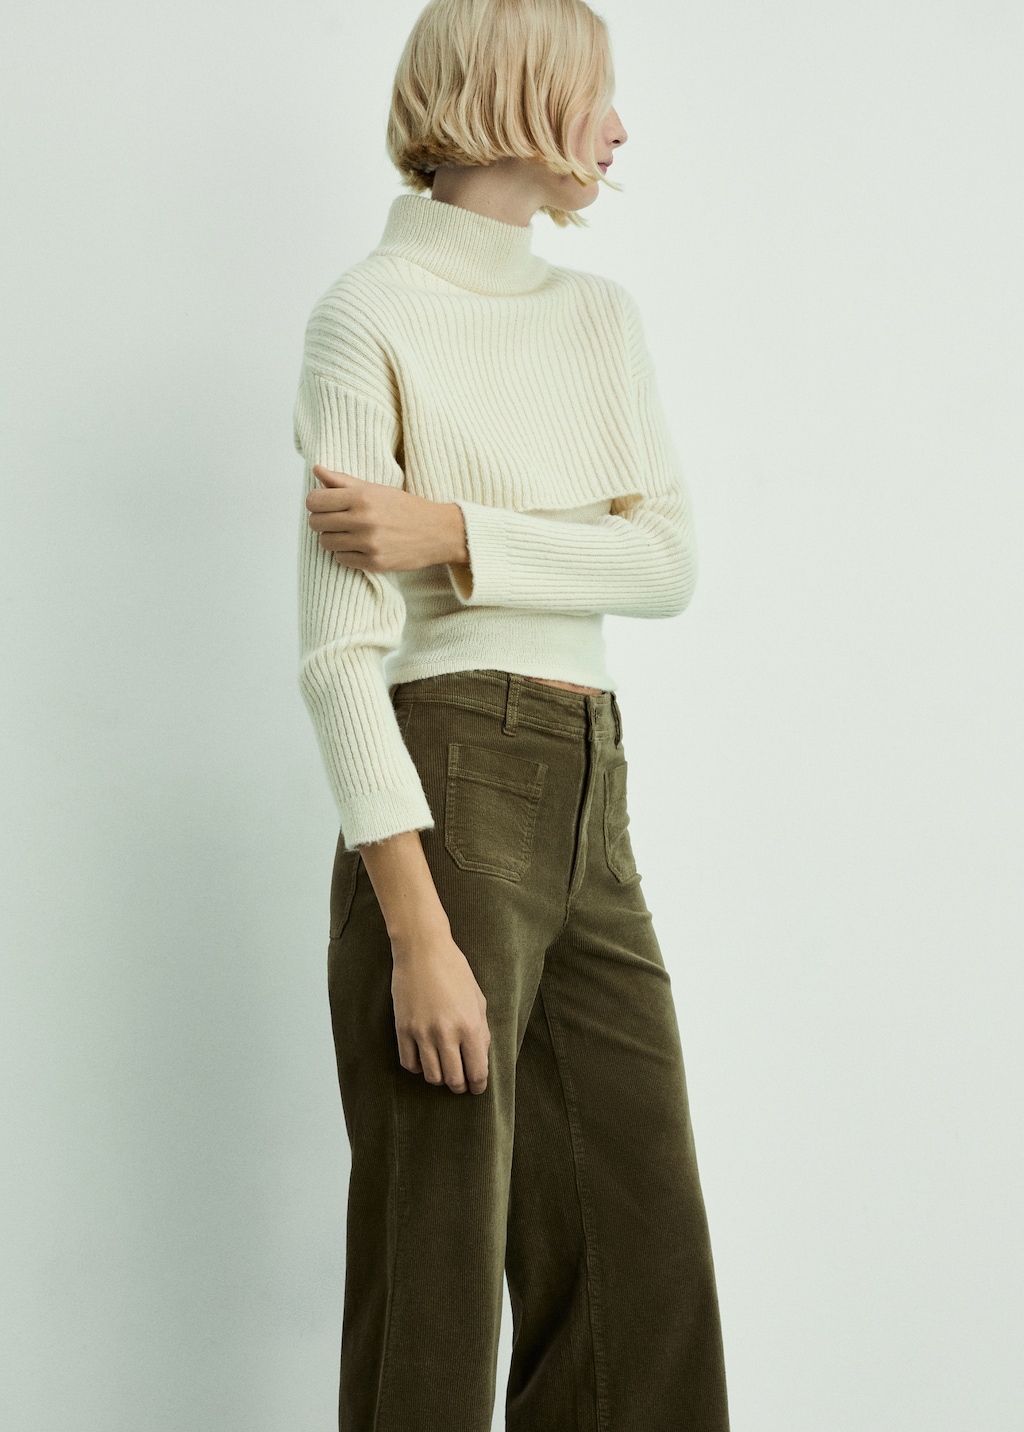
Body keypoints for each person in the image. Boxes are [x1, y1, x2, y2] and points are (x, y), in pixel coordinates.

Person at [291, 1, 730, 1427]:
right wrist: (416, 934)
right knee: (432, 1276)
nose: (619, 128)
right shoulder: (367, 313)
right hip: (448, 786)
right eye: (596, 95)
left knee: (639, 1268)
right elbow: (338, 653)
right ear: (516, 98)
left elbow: (665, 564)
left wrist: (457, 532)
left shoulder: (600, 318)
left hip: (592, 785)